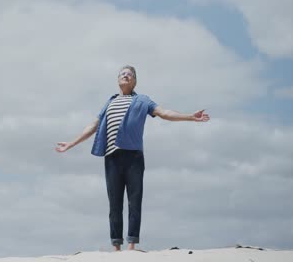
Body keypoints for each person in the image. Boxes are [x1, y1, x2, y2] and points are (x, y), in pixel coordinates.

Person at [55, 65, 210, 251]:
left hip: (133, 156)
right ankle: (116, 247)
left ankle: (131, 245)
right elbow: (93, 125)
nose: (126, 76)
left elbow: (164, 113)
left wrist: (190, 117)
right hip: (112, 156)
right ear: (118, 80)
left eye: (130, 74)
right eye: (123, 74)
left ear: (135, 81)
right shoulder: (109, 102)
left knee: (134, 200)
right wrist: (71, 143)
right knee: (114, 203)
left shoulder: (143, 100)